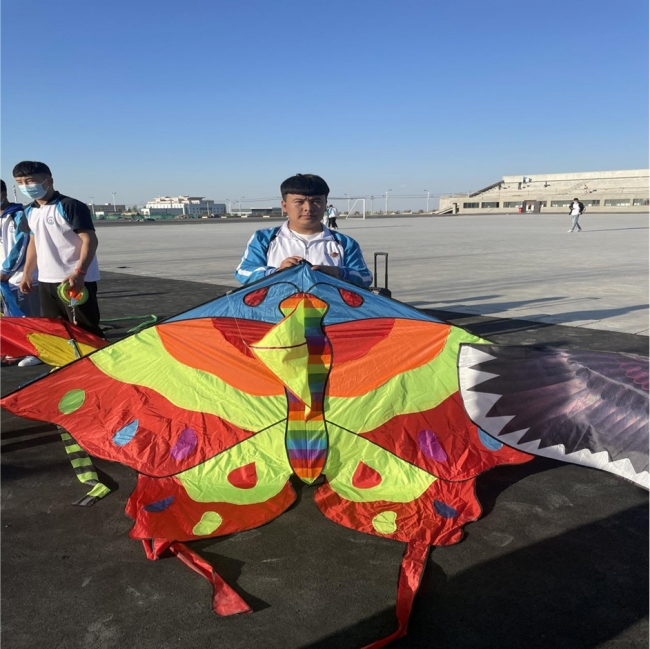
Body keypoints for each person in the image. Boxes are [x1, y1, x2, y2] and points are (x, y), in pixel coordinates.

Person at [13, 161, 104, 338]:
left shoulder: (70, 205)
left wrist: (80, 272)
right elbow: (34, 242)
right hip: (46, 279)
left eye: (30, 181)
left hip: (75, 279)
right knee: (55, 330)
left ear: (48, 181)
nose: (25, 186)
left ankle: (97, 355)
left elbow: (90, 240)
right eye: (20, 182)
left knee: (85, 329)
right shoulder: (28, 211)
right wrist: (27, 273)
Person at [235, 174, 372, 287]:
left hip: (330, 311)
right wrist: (276, 272)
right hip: (276, 311)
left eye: (316, 201)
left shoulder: (344, 242)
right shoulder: (263, 238)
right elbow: (243, 272)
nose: (308, 208)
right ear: (284, 206)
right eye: (299, 202)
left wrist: (338, 272)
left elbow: (365, 277)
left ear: (325, 205)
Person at [0, 179, 42, 366]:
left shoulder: (18, 215)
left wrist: (6, 270)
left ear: (3, 193)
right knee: (10, 316)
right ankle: (17, 349)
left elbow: (22, 245)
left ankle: (36, 351)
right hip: (4, 279)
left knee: (28, 316)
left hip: (20, 277)